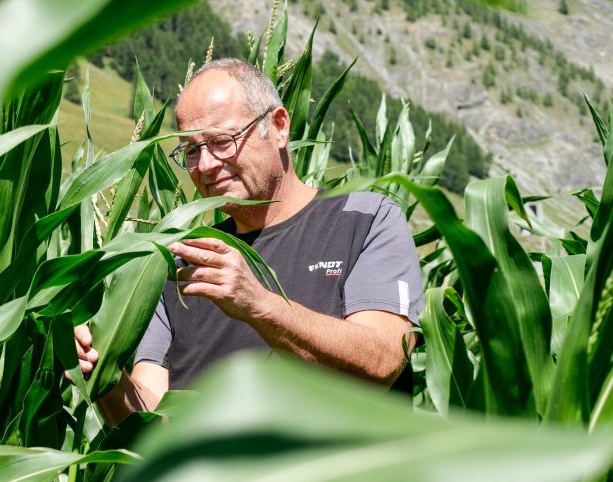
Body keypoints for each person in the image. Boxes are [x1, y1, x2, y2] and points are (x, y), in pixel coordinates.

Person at [73, 58, 424, 425]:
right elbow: (150, 418)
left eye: (221, 142)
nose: (205, 165)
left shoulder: (365, 220)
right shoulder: (179, 266)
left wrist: (257, 304)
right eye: (191, 151)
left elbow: (383, 361)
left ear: (279, 127)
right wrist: (102, 373)